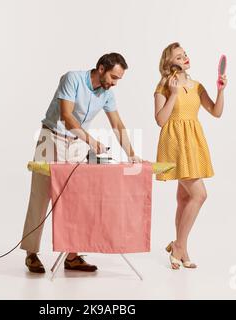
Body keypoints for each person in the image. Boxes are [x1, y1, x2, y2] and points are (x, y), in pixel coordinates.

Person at [21, 53, 142, 273]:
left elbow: (117, 124)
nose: (114, 84)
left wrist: (132, 154)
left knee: (76, 199)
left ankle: (72, 256)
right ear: (101, 69)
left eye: (118, 80)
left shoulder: (107, 94)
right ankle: (31, 253)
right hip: (51, 138)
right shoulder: (72, 79)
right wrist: (92, 141)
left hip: (76, 143)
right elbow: (67, 117)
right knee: (41, 196)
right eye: (113, 77)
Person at [154, 42, 227, 269]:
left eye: (185, 54)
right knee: (199, 195)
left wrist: (221, 90)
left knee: (185, 198)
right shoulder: (164, 86)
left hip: (193, 143)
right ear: (169, 62)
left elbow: (216, 112)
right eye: (179, 56)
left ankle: (181, 251)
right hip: (175, 144)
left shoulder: (197, 86)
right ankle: (179, 245)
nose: (185, 57)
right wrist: (174, 94)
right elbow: (160, 120)